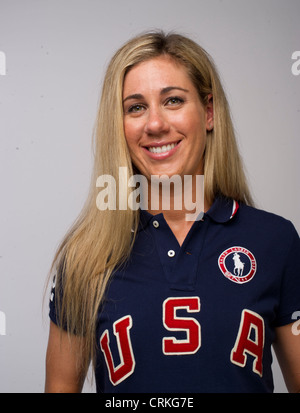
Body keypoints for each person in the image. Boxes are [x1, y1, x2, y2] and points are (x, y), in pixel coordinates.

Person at [45, 31, 300, 393]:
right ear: (119, 126)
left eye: (173, 101)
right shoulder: (85, 256)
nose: (154, 124)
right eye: (135, 107)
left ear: (209, 112)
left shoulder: (276, 241)